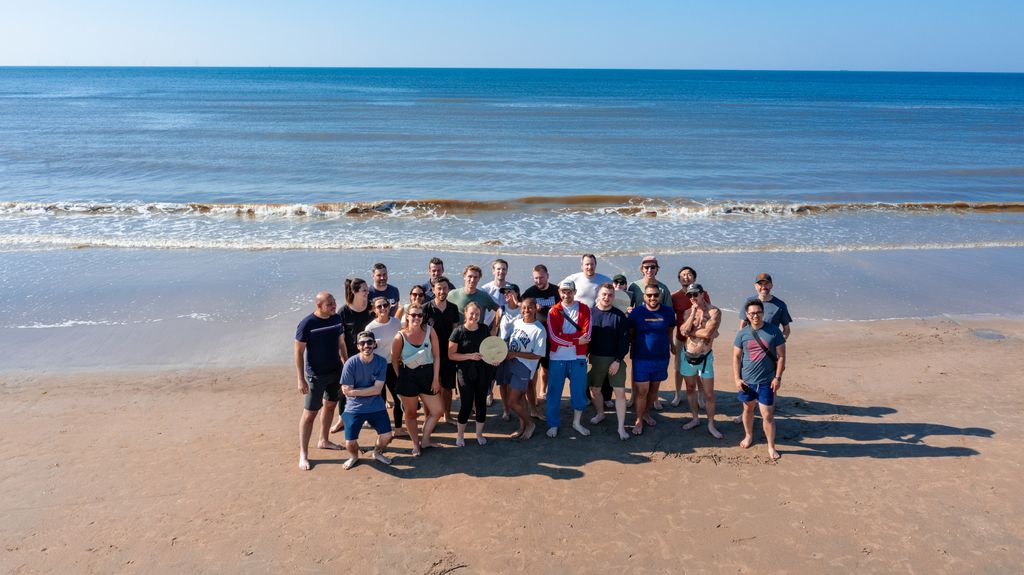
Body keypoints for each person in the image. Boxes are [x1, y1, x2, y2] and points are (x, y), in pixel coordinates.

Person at [295, 292, 347, 470]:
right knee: (310, 414)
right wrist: (301, 379)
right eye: (330, 304)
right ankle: (303, 453)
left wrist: (346, 365)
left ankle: (323, 440)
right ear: (319, 306)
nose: (334, 306)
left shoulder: (336, 319)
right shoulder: (307, 324)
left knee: (331, 405)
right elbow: (298, 352)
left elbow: (341, 344)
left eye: (334, 302)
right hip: (315, 376)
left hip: (335, 371)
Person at [733, 299, 787, 460]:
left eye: (758, 312)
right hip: (747, 381)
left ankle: (771, 446)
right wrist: (737, 379)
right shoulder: (742, 333)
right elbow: (736, 357)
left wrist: (777, 377)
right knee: (748, 409)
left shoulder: (773, 331)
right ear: (747, 315)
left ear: (763, 313)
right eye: (752, 313)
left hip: (767, 381)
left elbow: (782, 356)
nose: (755, 315)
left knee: (768, 414)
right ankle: (748, 435)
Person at [391, 303, 443, 456]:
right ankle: (416, 444)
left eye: (420, 315)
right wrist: (401, 376)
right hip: (408, 376)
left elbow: (437, 356)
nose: (416, 318)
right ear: (407, 316)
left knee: (437, 411)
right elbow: (394, 359)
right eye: (413, 314)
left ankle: (425, 440)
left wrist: (435, 379)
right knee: (411, 413)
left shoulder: (430, 331)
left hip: (427, 374)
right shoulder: (400, 336)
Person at [339, 330, 394, 469]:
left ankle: (377, 452)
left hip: (376, 405)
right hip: (354, 407)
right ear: (358, 346)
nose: (366, 345)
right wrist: (367, 391)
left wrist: (354, 391)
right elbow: (346, 392)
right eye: (362, 343)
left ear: (374, 344)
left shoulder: (381, 362)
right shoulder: (350, 364)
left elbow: (377, 390)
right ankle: (354, 456)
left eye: (369, 342)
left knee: (387, 436)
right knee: (350, 442)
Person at [627, 284, 676, 435]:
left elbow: (670, 330)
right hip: (641, 358)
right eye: (649, 295)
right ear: (644, 297)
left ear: (660, 296)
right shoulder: (636, 312)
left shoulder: (668, 312)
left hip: (661, 357)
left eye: (655, 295)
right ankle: (639, 420)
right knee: (642, 390)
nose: (653, 298)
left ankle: (646, 413)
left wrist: (672, 344)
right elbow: (630, 332)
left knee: (654, 392)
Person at [545, 280, 592, 438]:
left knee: (579, 392)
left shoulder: (585, 309)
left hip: (578, 357)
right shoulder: (553, 311)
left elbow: (587, 335)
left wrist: (566, 337)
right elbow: (553, 338)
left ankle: (577, 422)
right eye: (563, 291)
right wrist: (575, 340)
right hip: (557, 358)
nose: (566, 295)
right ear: (559, 292)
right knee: (553, 392)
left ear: (575, 291)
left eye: (569, 291)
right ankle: (553, 424)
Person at [448, 301, 498, 446]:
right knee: (466, 404)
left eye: (477, 314)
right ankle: (460, 435)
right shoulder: (458, 331)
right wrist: (469, 356)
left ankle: (479, 434)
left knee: (481, 403)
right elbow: (451, 355)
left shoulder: (483, 329)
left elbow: (489, 349)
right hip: (465, 372)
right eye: (472, 313)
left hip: (483, 371)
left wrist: (494, 359)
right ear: (465, 313)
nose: (474, 316)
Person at [678, 284, 723, 439]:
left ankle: (711, 423)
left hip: (705, 357)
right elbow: (682, 331)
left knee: (709, 394)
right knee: (690, 389)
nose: (693, 298)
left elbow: (709, 332)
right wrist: (693, 315)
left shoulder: (714, 311)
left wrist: (691, 332)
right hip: (688, 356)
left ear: (702, 294)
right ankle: (695, 418)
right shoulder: (688, 312)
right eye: (689, 296)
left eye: (695, 294)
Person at [587, 283, 631, 440]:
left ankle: (621, 428)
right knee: (595, 390)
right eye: (604, 294)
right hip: (595, 359)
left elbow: (624, 342)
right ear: (598, 295)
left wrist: (618, 360)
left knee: (620, 393)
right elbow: (586, 339)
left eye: (610, 295)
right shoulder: (590, 314)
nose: (607, 298)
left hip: (615, 360)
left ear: (614, 297)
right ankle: (600, 414)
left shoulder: (619, 316)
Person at [330, 277, 372, 433]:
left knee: (367, 386)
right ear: (354, 292)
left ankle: (367, 417)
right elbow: (340, 341)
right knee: (345, 390)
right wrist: (345, 361)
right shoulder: (344, 312)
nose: (367, 293)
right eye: (364, 290)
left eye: (367, 290)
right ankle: (342, 419)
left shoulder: (371, 308)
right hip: (348, 357)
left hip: (368, 356)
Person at [502, 297, 546, 440]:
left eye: (530, 307)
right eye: (524, 308)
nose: (526, 310)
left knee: (512, 401)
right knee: (520, 399)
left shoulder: (539, 329)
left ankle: (530, 424)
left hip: (525, 368)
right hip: (511, 363)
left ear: (535, 309)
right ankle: (522, 427)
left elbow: (538, 355)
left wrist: (515, 353)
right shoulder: (517, 322)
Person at [670, 266, 712, 407]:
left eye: (689, 275)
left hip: (699, 339)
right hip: (681, 338)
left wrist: (708, 337)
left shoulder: (703, 293)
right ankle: (677, 394)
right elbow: (671, 320)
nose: (686, 277)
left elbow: (710, 314)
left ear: (694, 278)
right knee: (678, 367)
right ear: (679, 279)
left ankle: (700, 396)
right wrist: (671, 342)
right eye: (683, 275)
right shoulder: (674, 297)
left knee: (699, 368)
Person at [522, 264, 560, 416]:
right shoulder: (530, 292)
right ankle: (534, 395)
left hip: (552, 336)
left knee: (547, 367)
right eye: (536, 278)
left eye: (541, 277)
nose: (539, 281)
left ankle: (543, 391)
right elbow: (520, 306)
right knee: (534, 368)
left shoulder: (556, 291)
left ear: (547, 276)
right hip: (535, 336)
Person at [365, 297, 405, 437]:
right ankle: (384, 429)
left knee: (398, 397)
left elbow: (402, 341)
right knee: (380, 401)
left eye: (385, 305)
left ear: (389, 307)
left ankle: (399, 429)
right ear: (374, 310)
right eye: (379, 306)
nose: (383, 308)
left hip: (394, 365)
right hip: (378, 368)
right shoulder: (370, 328)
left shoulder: (396, 322)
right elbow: (366, 350)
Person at [424, 276, 460, 424]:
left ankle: (447, 415)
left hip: (448, 354)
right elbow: (421, 332)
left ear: (448, 289)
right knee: (430, 386)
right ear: (433, 290)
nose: (442, 291)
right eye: (439, 288)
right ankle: (428, 416)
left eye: (445, 288)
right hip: (430, 354)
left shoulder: (453, 308)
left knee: (447, 387)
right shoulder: (425, 308)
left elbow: (456, 330)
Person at [480, 259, 511, 407]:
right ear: (493, 271)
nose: (501, 272)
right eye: (498, 269)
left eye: (504, 269)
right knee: (488, 359)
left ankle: (505, 392)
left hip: (506, 329)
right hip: (489, 327)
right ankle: (488, 392)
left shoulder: (510, 289)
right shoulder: (485, 289)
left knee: (501, 359)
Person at [492, 283, 523, 421]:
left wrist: (519, 303)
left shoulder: (523, 309)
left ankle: (516, 406)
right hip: (502, 350)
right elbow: (495, 330)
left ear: (516, 293)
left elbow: (532, 317)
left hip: (518, 351)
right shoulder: (501, 310)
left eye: (509, 292)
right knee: (503, 383)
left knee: (516, 383)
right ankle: (506, 409)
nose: (506, 295)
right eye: (504, 293)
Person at [740, 273, 792, 340]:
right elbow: (742, 326)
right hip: (751, 345)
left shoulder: (780, 305)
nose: (763, 287)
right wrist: (743, 343)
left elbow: (787, 330)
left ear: (771, 285)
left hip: (771, 347)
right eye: (760, 284)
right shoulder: (749, 302)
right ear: (755, 286)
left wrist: (779, 343)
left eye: (766, 283)